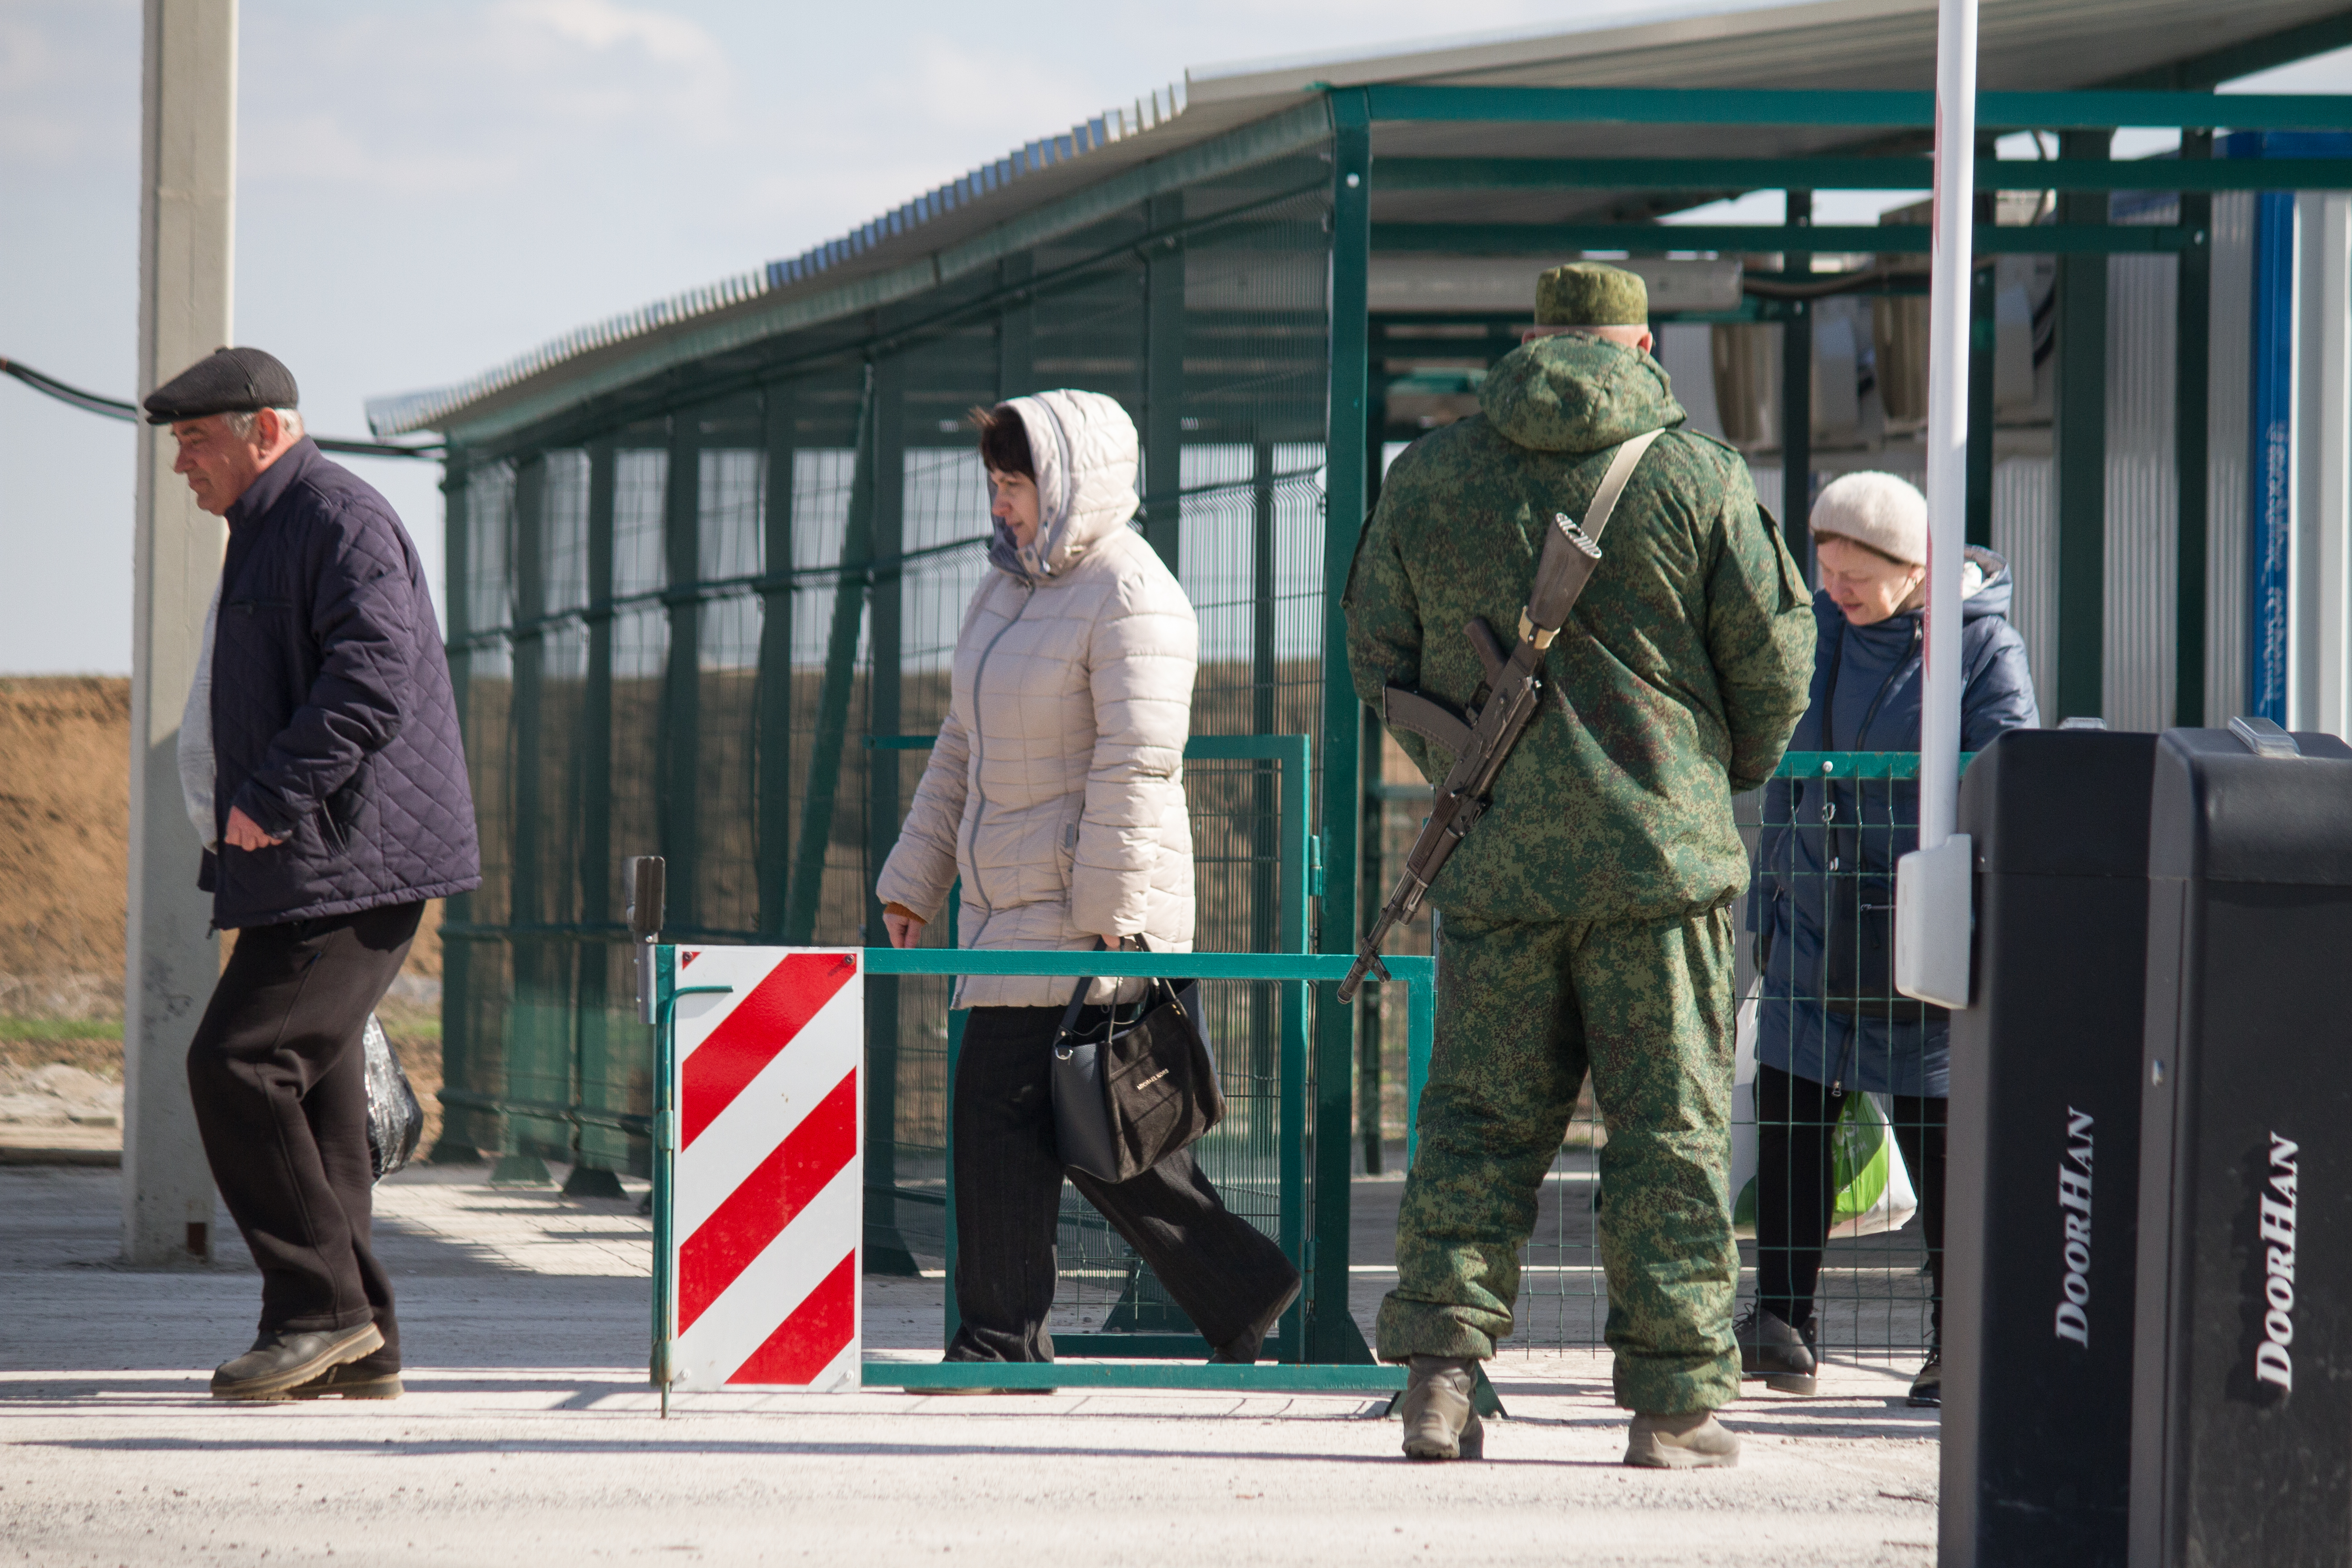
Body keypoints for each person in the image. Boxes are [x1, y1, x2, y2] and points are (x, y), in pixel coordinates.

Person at [1347, 263, 1816, 1467]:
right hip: (1659, 872)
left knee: (1475, 1122)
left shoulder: (1431, 474)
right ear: (1643, 342)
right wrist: (1705, 776)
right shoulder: (1698, 475)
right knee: (1668, 1130)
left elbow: (1376, 652)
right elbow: (1773, 668)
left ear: (1533, 338)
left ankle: (1441, 1381)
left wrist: (1469, 763)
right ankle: (1673, 1407)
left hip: (1495, 860)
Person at [875, 389, 1300, 1376]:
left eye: (1015, 483)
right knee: (1072, 1121)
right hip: (1005, 910)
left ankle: (1000, 1340)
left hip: (1089, 913)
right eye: (994, 483)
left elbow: (1136, 766)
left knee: (1024, 1109)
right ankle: (1234, 1288)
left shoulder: (1132, 594)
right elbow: (960, 746)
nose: (1001, 504)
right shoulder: (1004, 591)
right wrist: (914, 880)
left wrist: (1108, 924)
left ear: (1069, 482)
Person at [150, 347, 481, 1402]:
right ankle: (362, 1339)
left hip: (350, 861)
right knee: (324, 1107)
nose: (181, 466)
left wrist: (274, 793)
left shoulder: (335, 517)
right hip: (317, 865)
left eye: (196, 441)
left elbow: (377, 674)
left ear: (267, 429)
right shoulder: (272, 527)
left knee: (239, 1066)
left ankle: (317, 1312)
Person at [1739, 471, 2038, 1409]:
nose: (1837, 592)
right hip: (1813, 930)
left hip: (1922, 927)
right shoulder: (1815, 635)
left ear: (1915, 569)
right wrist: (1771, 899)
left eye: (1856, 577)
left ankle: (1960, 1337)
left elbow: (2009, 772)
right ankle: (1781, 1322)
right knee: (1791, 1125)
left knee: (1943, 1138)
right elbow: (1782, 769)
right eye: (1825, 572)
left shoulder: (1982, 646)